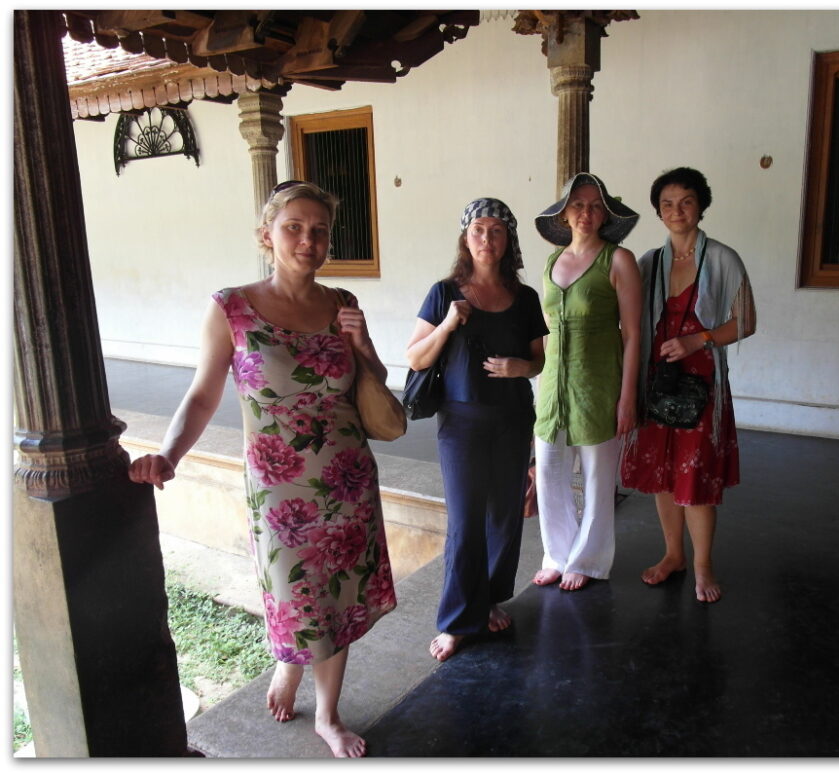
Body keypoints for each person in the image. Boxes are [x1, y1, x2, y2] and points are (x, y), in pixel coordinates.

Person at [128, 180, 396, 757]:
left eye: (319, 230)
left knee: (337, 594)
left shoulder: (342, 303)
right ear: (267, 235)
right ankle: (290, 664)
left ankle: (327, 715)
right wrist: (170, 455)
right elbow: (203, 395)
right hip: (281, 488)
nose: (307, 240)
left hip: (347, 476)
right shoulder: (232, 307)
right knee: (298, 594)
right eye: (293, 227)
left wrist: (364, 344)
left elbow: (373, 385)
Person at [406, 198, 547, 662]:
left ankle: (488, 600)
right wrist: (448, 323)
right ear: (466, 239)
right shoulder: (444, 292)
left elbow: (538, 360)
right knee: (466, 521)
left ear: (509, 240)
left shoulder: (525, 298)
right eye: (479, 230)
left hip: (512, 418)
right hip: (462, 422)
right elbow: (415, 358)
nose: (487, 239)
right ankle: (455, 621)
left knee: (504, 517)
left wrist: (521, 367)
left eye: (497, 231)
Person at [620, 166, 756, 603]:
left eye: (686, 202)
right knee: (663, 474)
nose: (676, 211)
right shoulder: (648, 263)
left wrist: (699, 339)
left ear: (701, 206)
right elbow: (628, 321)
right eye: (667, 204)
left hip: (701, 385)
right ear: (658, 212)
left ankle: (703, 566)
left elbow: (746, 322)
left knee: (694, 476)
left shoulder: (723, 259)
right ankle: (673, 555)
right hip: (658, 381)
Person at [531, 172, 642, 591]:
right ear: (564, 213)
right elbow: (545, 330)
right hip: (552, 386)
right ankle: (557, 554)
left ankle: (589, 560)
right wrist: (539, 384)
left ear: (606, 214)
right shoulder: (550, 263)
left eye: (596, 206)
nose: (586, 213)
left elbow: (633, 334)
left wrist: (627, 397)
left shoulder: (619, 260)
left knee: (597, 476)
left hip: (598, 383)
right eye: (578, 204)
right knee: (548, 471)